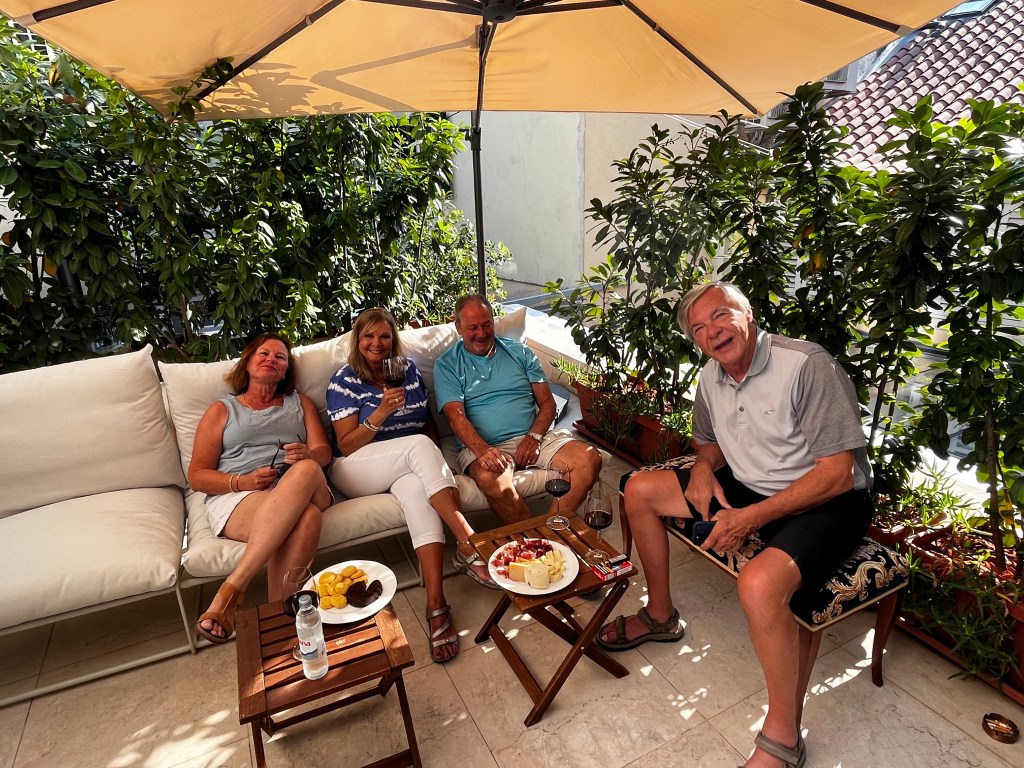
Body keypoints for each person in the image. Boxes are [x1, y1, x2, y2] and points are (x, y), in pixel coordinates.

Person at [598, 282, 872, 768]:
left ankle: (784, 738)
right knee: (638, 490)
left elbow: (837, 473)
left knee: (759, 584)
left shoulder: (806, 364)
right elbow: (708, 442)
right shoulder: (712, 375)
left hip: (828, 500)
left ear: (748, 315)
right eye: (699, 328)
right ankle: (660, 616)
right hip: (750, 482)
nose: (713, 331)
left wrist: (749, 519)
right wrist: (704, 468)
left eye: (721, 315)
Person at [326, 307, 498, 665]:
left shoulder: (408, 371)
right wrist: (380, 413)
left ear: (393, 340)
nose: (377, 343)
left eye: (384, 336)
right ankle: (468, 543)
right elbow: (346, 444)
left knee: (419, 492)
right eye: (369, 336)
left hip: (404, 463)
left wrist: (435, 465)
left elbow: (426, 424)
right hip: (355, 466)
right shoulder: (344, 380)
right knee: (419, 446)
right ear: (358, 340)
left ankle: (436, 604)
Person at [190, 333, 334, 645]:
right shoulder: (222, 410)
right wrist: (243, 481)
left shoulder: (300, 403)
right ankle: (279, 622)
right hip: (240, 496)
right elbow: (197, 476)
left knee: (307, 468)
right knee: (307, 518)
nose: (271, 360)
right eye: (264, 354)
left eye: (280, 357)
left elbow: (323, 452)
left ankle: (232, 589)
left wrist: (308, 454)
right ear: (247, 363)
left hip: (304, 486)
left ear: (285, 371)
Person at [434, 294, 602, 523]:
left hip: (533, 436)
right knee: (491, 477)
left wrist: (534, 437)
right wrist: (483, 450)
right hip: (485, 446)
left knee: (589, 458)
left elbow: (547, 403)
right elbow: (456, 417)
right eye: (473, 327)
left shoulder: (520, 352)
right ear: (459, 327)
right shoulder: (447, 364)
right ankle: (536, 537)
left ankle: (551, 531)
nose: (481, 333)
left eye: (486, 325)